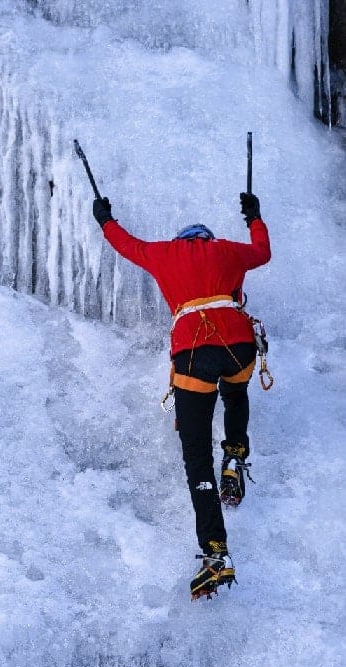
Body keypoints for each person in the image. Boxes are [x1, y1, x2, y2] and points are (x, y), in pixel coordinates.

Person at [92, 192, 271, 600]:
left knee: (194, 454)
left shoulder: (165, 254)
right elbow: (263, 251)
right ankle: (236, 455)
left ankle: (215, 554)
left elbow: (125, 244)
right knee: (236, 388)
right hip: (238, 345)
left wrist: (104, 217)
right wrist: (254, 217)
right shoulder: (226, 251)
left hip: (193, 352)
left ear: (184, 240)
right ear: (207, 239)